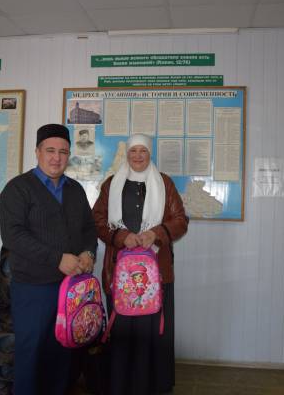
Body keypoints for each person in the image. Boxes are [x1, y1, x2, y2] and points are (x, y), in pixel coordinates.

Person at [0, 123, 97, 395]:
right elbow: (13, 236)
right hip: (33, 288)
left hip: (71, 288)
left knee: (64, 350)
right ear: (37, 152)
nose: (56, 158)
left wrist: (88, 252)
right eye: (50, 150)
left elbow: (89, 229)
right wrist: (57, 259)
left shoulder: (75, 189)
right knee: (31, 351)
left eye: (63, 152)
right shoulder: (18, 189)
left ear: (69, 156)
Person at [92, 133, 188, 395]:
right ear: (127, 154)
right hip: (120, 274)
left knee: (152, 332)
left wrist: (155, 234)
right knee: (121, 332)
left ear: (149, 153)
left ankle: (152, 386)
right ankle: (120, 385)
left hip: (156, 275)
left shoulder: (164, 183)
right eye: (133, 151)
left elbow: (181, 221)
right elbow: (97, 221)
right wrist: (122, 237)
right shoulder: (111, 184)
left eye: (142, 151)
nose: (137, 156)